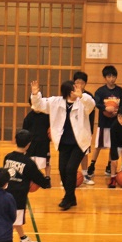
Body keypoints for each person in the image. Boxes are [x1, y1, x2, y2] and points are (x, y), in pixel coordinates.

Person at [30, 79, 96, 211]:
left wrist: (82, 95)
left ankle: (67, 198)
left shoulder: (82, 102)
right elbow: (38, 106)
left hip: (79, 143)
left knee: (70, 169)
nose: (76, 91)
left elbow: (91, 104)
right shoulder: (56, 101)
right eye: (73, 89)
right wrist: (35, 94)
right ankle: (71, 197)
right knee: (62, 169)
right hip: (64, 143)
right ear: (68, 92)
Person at [3, 129, 52, 242]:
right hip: (19, 195)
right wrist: (46, 181)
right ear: (29, 144)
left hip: (6, 192)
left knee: (12, 217)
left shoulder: (8, 157)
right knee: (15, 220)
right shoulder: (28, 163)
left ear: (16, 141)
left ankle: (23, 239)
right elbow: (40, 180)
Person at [87, 65, 122, 179]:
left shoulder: (120, 91)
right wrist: (106, 108)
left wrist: (118, 110)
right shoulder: (100, 91)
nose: (111, 79)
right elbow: (96, 103)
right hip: (103, 123)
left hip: (116, 122)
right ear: (105, 78)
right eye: (109, 76)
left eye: (113, 76)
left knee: (113, 145)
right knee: (98, 145)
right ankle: (92, 165)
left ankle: (109, 165)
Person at [73, 71, 96, 185]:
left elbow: (91, 114)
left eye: (82, 83)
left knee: (84, 152)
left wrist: (90, 130)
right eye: (77, 82)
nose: (79, 85)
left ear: (85, 84)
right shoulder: (70, 95)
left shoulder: (88, 97)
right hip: (72, 129)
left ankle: (85, 174)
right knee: (71, 153)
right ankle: (70, 175)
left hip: (84, 129)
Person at [23, 96, 51, 179]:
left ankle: (47, 177)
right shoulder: (28, 118)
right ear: (31, 105)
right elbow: (24, 132)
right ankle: (30, 177)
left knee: (47, 161)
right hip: (32, 144)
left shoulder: (47, 115)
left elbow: (51, 128)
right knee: (30, 161)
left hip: (44, 142)